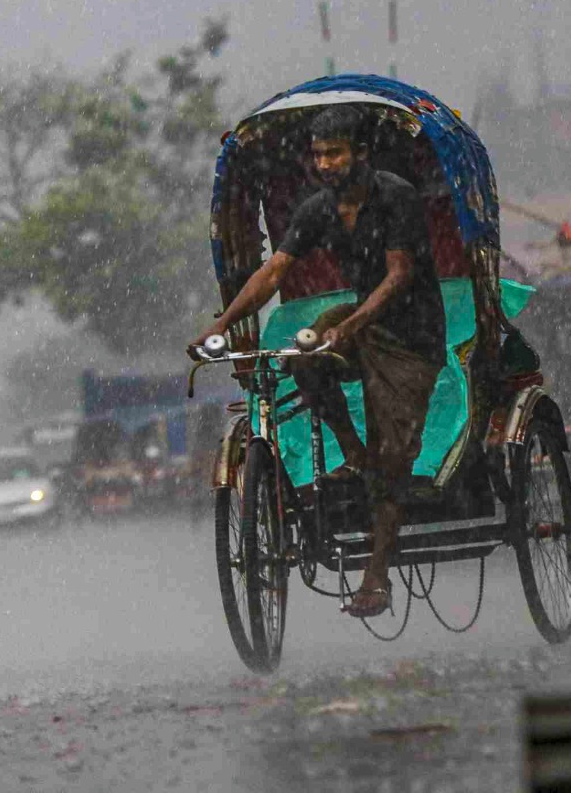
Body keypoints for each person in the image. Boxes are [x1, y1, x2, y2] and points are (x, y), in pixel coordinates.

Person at [191, 105, 445, 617]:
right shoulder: (318, 208)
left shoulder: (395, 197)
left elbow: (398, 277)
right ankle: (353, 450)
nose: (325, 164)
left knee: (393, 452)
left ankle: (375, 575)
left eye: (335, 153)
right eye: (318, 156)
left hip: (411, 331)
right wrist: (221, 324)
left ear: (361, 154)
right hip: (358, 316)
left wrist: (349, 328)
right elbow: (273, 273)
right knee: (301, 358)